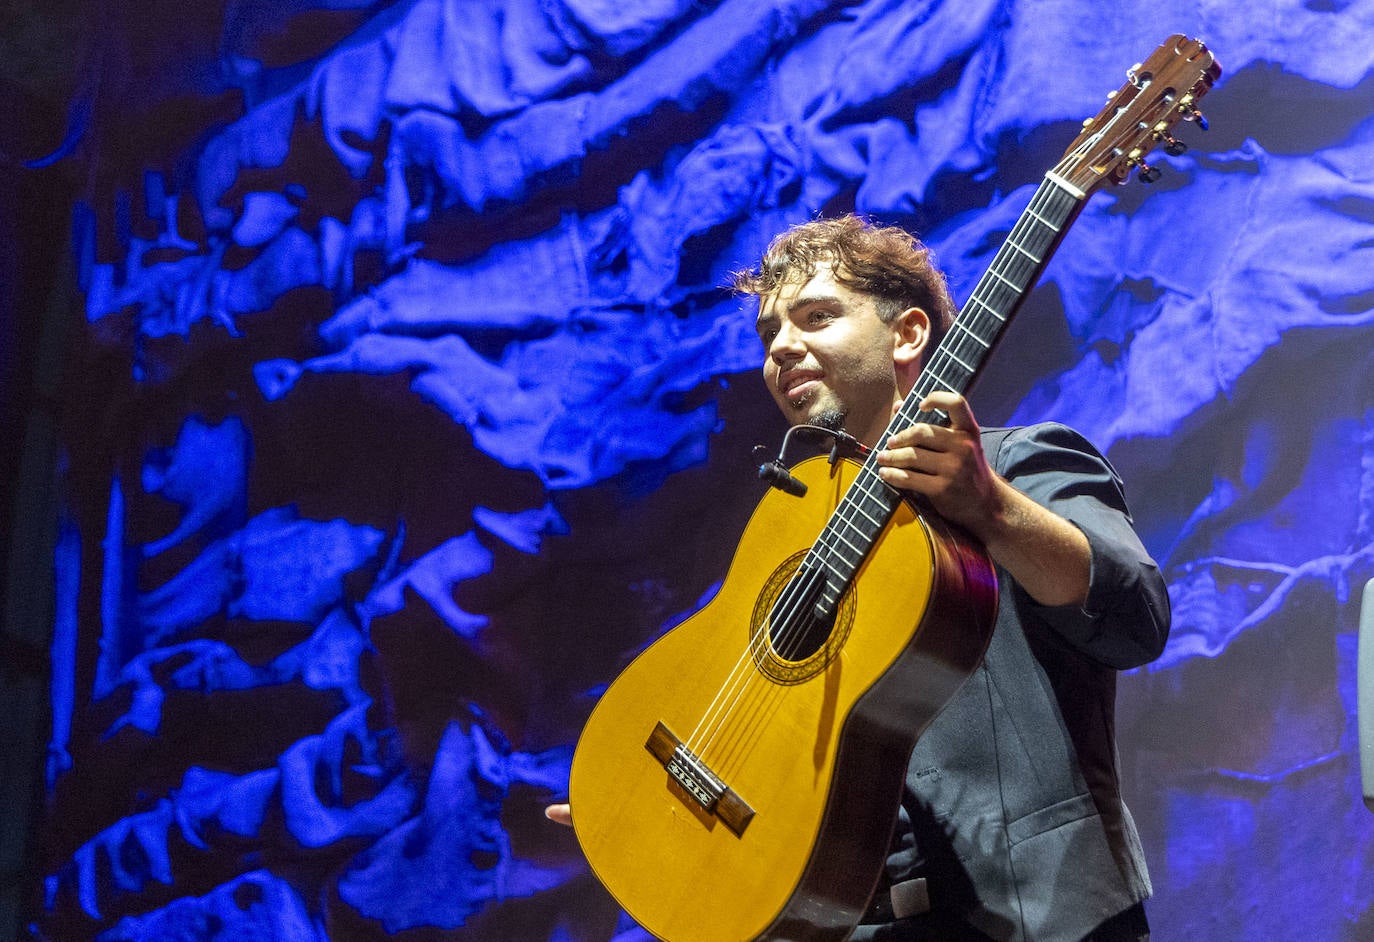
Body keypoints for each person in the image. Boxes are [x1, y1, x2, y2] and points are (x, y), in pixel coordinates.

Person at [550, 214, 1169, 941]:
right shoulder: (796, 523)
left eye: (816, 317)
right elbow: (781, 738)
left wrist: (991, 509)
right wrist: (660, 822)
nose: (782, 346)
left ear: (906, 335)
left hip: (1037, 919)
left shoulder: (1017, 466)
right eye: (769, 333)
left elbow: (1136, 619)